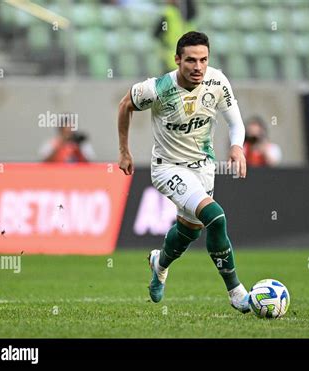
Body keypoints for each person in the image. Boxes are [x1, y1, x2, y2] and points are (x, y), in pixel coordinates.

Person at [117, 31, 250, 313]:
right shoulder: (158, 88)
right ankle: (236, 290)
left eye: (203, 59)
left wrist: (237, 147)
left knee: (189, 232)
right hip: (168, 168)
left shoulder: (217, 81)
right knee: (216, 218)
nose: (198, 67)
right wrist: (125, 152)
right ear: (177, 59)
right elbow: (124, 105)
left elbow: (236, 123)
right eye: (190, 60)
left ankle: (160, 263)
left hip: (203, 167)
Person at [154, 0, 197, 73]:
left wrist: (164, 37)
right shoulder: (190, 14)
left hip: (172, 55)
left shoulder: (168, 13)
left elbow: (159, 31)